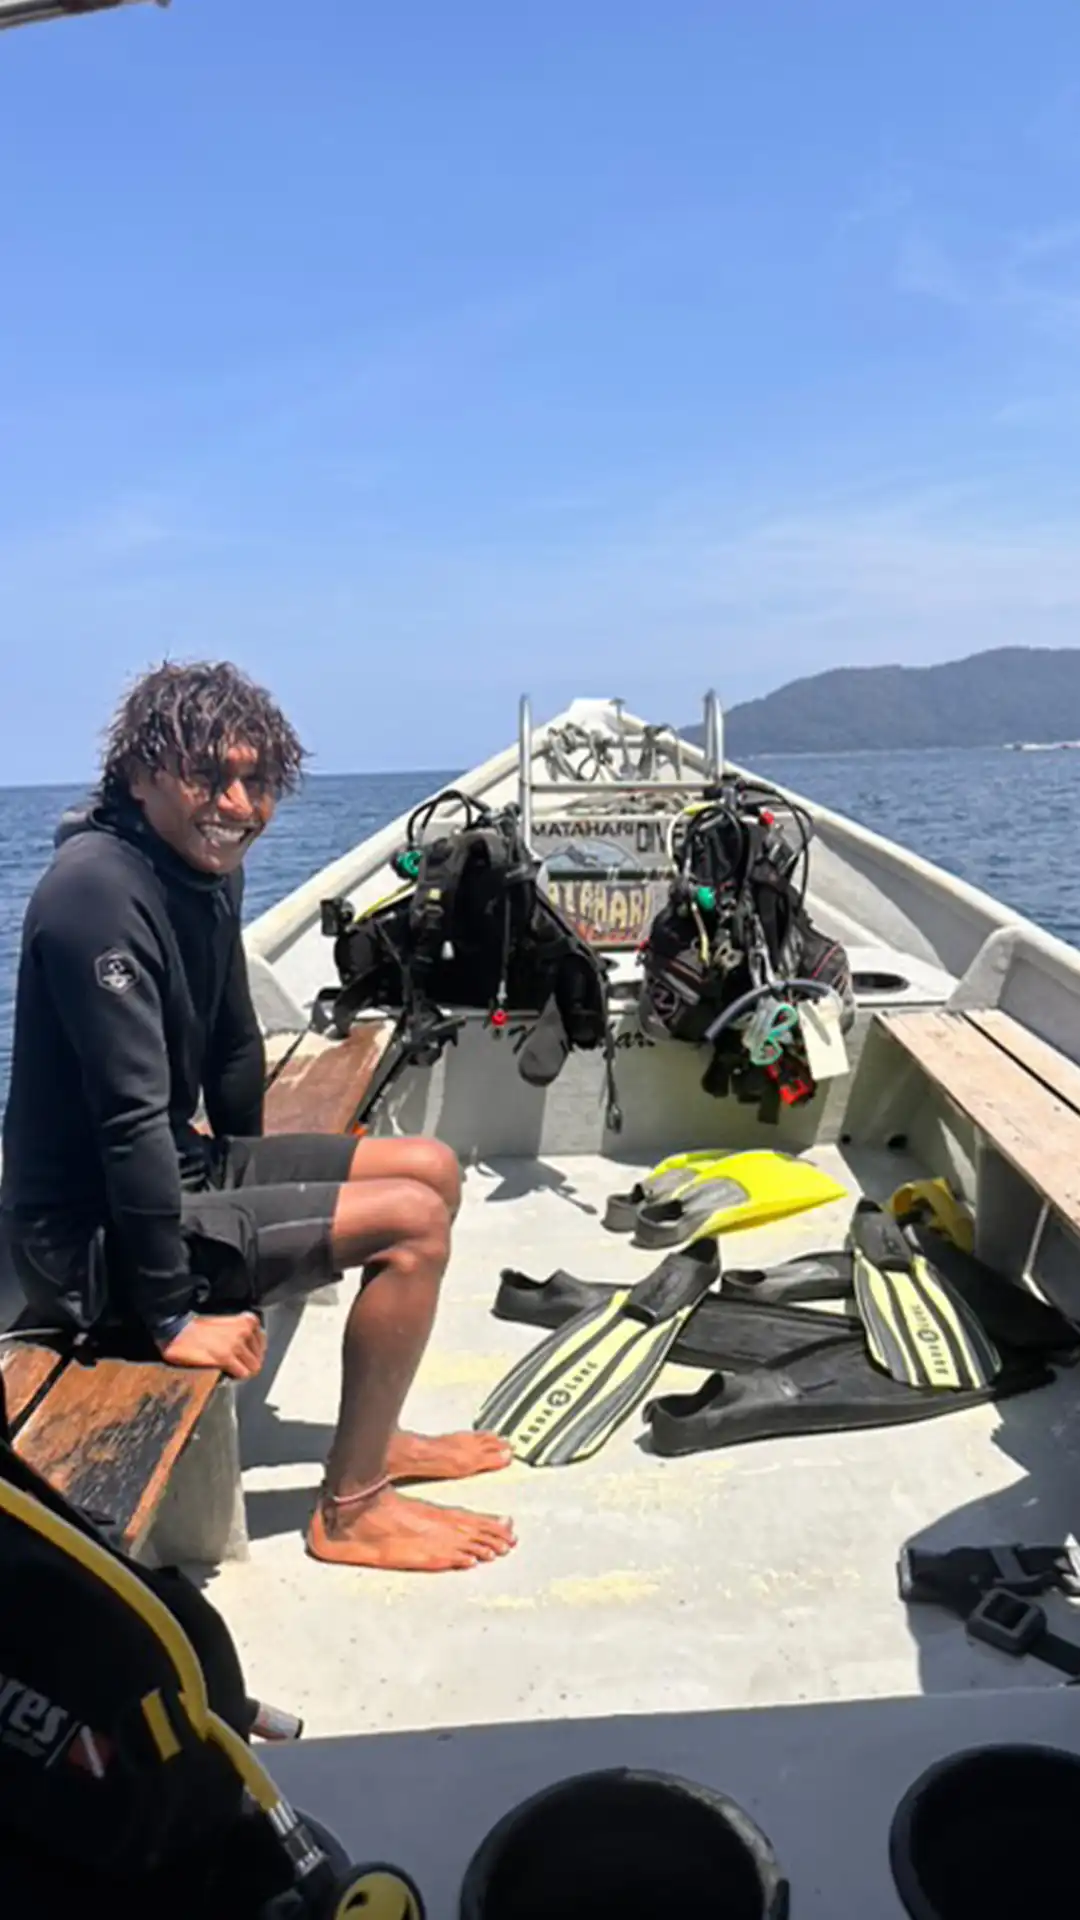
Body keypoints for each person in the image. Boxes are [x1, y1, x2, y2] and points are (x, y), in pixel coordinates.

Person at [0, 660, 516, 1574]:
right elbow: (124, 1124)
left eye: (259, 781)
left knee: (429, 1167)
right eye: (210, 777)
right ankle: (351, 1512)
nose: (238, 805)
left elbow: (235, 1036)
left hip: (177, 1171)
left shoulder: (199, 869)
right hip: (89, 1248)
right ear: (141, 775)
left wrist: (277, 1184)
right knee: (413, 1224)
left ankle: (376, 1436)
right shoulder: (93, 894)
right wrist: (170, 1317)